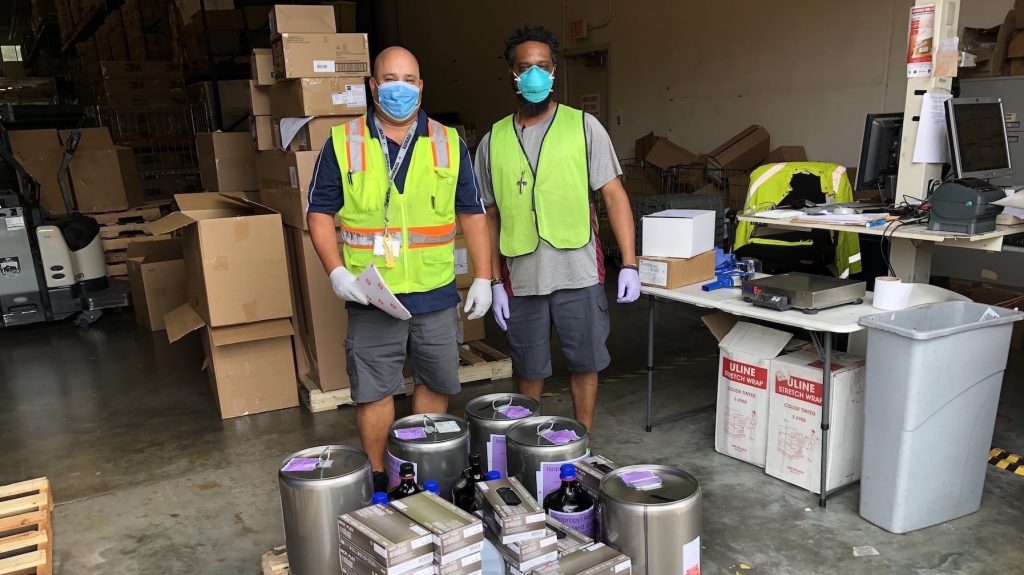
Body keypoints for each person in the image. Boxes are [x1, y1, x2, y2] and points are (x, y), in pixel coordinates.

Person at [307, 46, 493, 492]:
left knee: (435, 380)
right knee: (374, 389)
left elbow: (472, 213)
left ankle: (420, 468)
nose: (399, 88)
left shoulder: (449, 142)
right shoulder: (343, 142)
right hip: (372, 295)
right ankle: (378, 476)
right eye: (389, 79)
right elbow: (318, 214)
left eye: (409, 80)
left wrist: (485, 275)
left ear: (422, 86)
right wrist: (336, 271)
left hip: (434, 291)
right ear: (373, 86)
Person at [475, 27, 640, 431]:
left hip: (578, 271)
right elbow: (487, 216)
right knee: (529, 366)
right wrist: (493, 280)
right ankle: (526, 441)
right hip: (523, 276)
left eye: (543, 67)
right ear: (511, 73)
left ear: (555, 73)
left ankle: (582, 439)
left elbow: (614, 196)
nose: (534, 75)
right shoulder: (492, 140)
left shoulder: (584, 127)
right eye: (525, 67)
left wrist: (632, 264)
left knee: (585, 361)